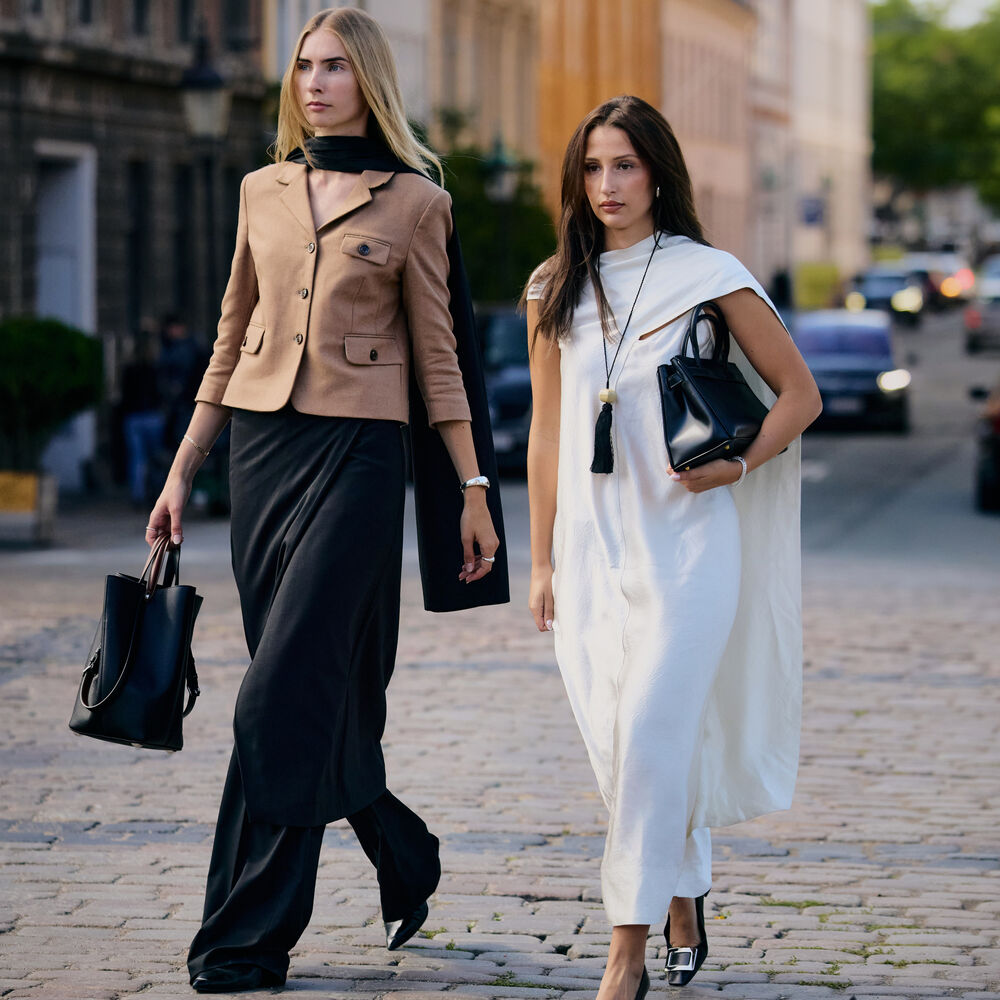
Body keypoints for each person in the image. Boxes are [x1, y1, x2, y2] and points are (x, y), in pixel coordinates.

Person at [145, 7, 508, 993]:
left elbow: (442, 359)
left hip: (360, 455)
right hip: (261, 451)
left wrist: (472, 489)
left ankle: (243, 937)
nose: (312, 82)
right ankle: (401, 848)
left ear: (369, 81)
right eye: (303, 65)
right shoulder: (261, 189)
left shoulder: (418, 202)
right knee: (308, 689)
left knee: (282, 689)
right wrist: (183, 470)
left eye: (335, 67)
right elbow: (231, 333)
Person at [523, 95, 821, 999]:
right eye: (591, 167)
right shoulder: (553, 286)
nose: (607, 185)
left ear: (658, 173)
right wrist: (540, 560)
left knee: (650, 734)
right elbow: (545, 436)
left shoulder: (707, 273)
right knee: (619, 748)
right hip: (590, 548)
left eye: (624, 165)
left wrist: (739, 469)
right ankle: (684, 884)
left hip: (689, 548)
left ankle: (626, 956)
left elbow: (799, 394)